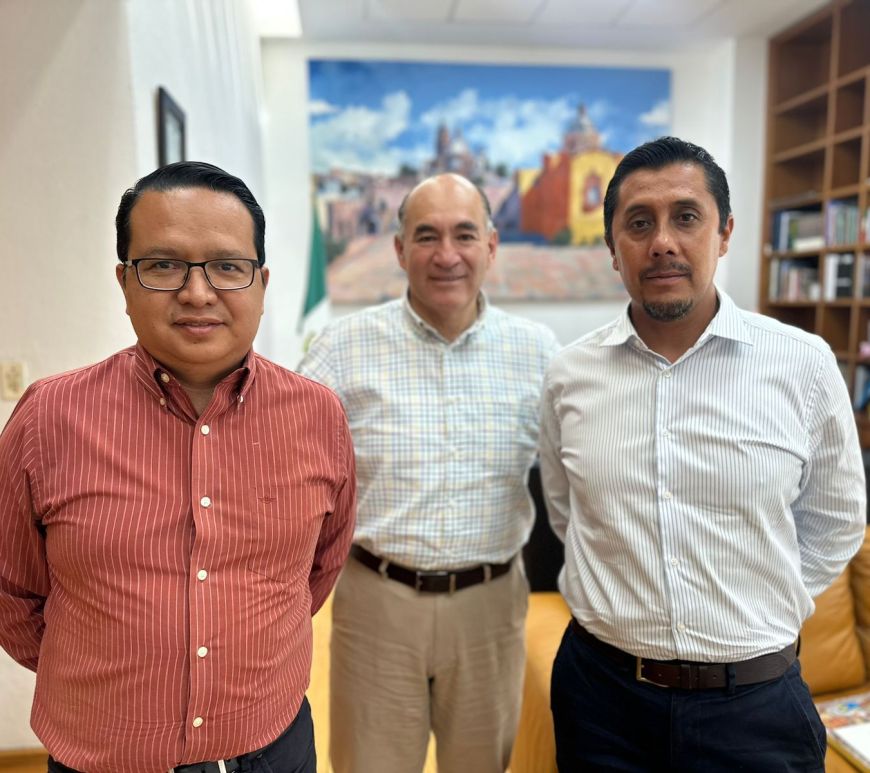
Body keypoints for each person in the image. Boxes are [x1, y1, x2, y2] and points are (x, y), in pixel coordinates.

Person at [0, 161, 356, 773]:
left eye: (227, 266)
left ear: (262, 283)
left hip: (272, 749)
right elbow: (11, 590)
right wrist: (108, 681)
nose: (197, 292)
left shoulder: (317, 416)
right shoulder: (48, 418)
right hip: (104, 758)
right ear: (124, 281)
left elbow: (317, 570)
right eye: (164, 265)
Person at [539, 136, 867, 771]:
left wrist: (753, 604)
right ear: (612, 246)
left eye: (686, 217)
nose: (662, 241)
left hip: (755, 707)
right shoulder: (568, 375)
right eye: (639, 223)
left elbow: (835, 521)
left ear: (724, 234)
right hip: (601, 701)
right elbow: (569, 513)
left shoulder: (802, 364)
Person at [298, 172, 560, 773]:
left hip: (491, 609)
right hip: (378, 605)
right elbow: (287, 469)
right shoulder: (342, 348)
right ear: (399, 249)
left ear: (491, 246)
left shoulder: (540, 352)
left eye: (464, 235)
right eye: (426, 236)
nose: (447, 255)